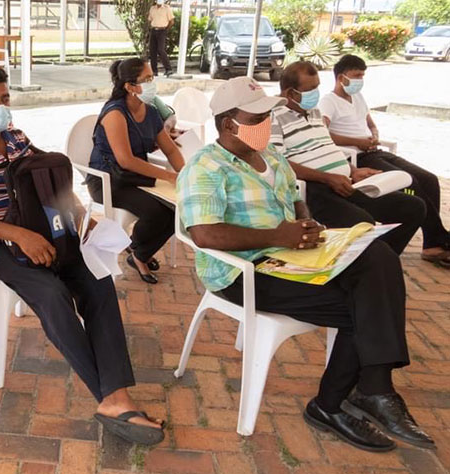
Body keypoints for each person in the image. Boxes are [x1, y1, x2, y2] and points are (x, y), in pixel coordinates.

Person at [178, 76, 434, 453]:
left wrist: (305, 220)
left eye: (267, 115)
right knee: (363, 307)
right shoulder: (206, 167)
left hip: (291, 256)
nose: (266, 124)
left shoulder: (273, 159)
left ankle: (372, 390)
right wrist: (279, 236)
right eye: (257, 118)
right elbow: (205, 235)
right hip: (243, 270)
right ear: (229, 123)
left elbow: (294, 201)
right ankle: (341, 401)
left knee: (377, 257)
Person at [0, 65, 165, 445]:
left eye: (5, 98)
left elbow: (52, 179)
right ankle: (113, 398)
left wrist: (79, 216)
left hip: (39, 232)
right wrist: (19, 236)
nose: (0, 107)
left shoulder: (16, 139)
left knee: (98, 280)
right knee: (52, 295)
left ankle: (115, 398)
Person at [271, 61, 426, 256]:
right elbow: (278, 162)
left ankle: (382, 257)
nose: (316, 93)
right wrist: (328, 178)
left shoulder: (314, 112)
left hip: (344, 183)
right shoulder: (273, 116)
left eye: (317, 87)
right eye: (310, 89)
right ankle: (371, 259)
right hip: (314, 189)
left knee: (412, 207)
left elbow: (327, 147)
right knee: (363, 222)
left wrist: (353, 170)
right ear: (290, 93)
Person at [319, 54, 450, 267]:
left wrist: (374, 133)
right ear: (341, 77)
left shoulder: (358, 97)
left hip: (374, 150)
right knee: (410, 183)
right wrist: (357, 142)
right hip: (357, 156)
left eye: (363, 75)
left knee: (428, 179)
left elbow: (369, 122)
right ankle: (438, 241)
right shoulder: (329, 101)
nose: (360, 80)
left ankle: (432, 241)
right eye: (356, 76)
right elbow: (323, 133)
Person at [88, 58, 185, 284]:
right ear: (130, 87)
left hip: (135, 178)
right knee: (156, 212)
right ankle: (140, 255)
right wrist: (171, 176)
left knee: (177, 208)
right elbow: (126, 160)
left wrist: (186, 174)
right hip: (108, 180)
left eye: (153, 77)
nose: (152, 83)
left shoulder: (150, 112)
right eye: (147, 79)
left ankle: (137, 250)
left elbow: (170, 149)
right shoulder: (115, 114)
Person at [147, 0, 174, 77]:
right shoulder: (152, 8)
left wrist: (166, 29)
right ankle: (154, 71)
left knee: (161, 50)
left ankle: (168, 69)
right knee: (152, 50)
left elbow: (171, 21)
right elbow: (150, 19)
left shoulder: (167, 8)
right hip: (153, 30)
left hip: (162, 30)